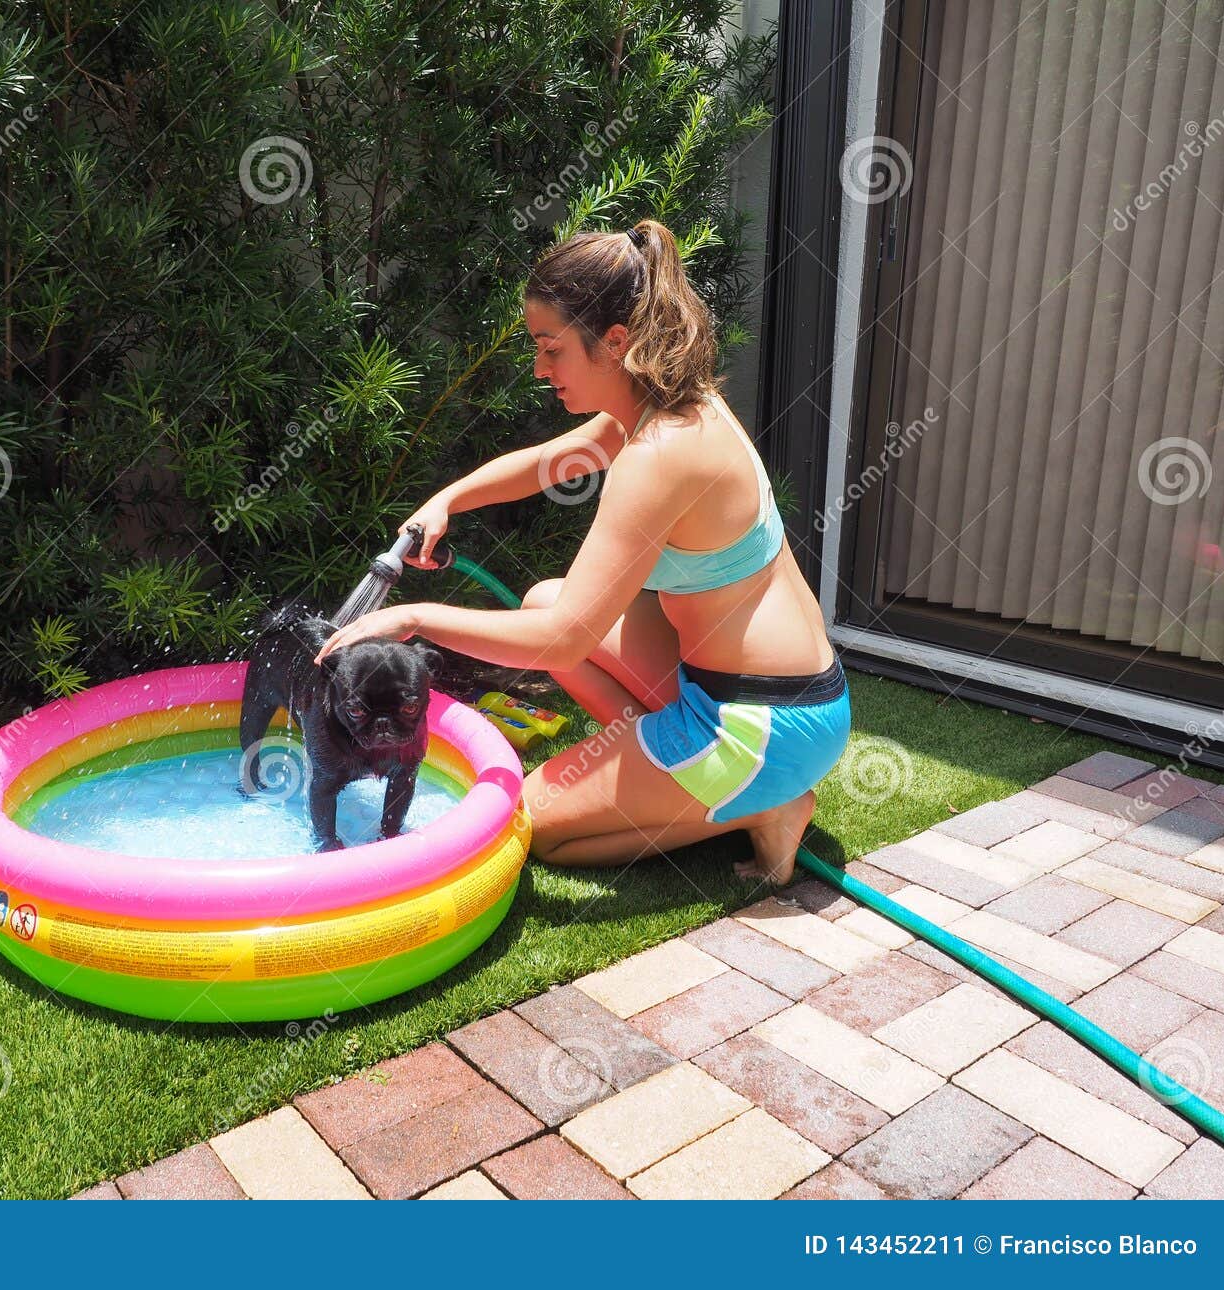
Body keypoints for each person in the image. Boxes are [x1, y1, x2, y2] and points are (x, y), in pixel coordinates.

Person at [313, 219, 851, 885]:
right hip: (780, 689)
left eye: (551, 349)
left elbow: (565, 642)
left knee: (533, 823)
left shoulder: (658, 456)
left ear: (615, 342)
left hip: (762, 726)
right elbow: (548, 463)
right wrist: (447, 499)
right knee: (544, 595)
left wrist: (412, 618)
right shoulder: (666, 404)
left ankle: (760, 806)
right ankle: (686, 780)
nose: (540, 369)